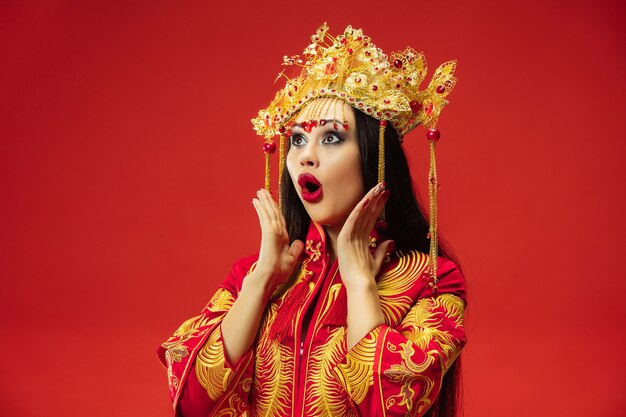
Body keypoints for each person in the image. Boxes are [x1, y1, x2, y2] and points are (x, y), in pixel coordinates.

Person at [158, 23, 466, 417]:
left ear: (374, 156)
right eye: (298, 140)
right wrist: (263, 279)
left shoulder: (431, 280)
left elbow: (387, 406)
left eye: (332, 138)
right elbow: (192, 402)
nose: (305, 156)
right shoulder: (253, 275)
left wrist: (358, 282)